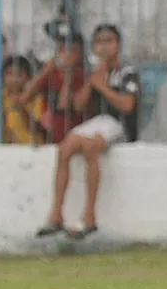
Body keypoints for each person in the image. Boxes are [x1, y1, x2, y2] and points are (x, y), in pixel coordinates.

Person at [35, 24, 140, 239]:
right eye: (99, 42)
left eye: (109, 41)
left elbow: (127, 106)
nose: (104, 47)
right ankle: (56, 215)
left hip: (119, 125)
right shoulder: (95, 73)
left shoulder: (127, 73)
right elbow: (78, 105)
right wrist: (89, 81)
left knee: (90, 147)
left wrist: (102, 87)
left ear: (118, 45)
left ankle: (89, 217)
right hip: (98, 122)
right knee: (65, 148)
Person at [22, 33, 87, 145]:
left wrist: (68, 79)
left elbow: (64, 105)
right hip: (49, 137)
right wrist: (45, 71)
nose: (66, 55)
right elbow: (24, 98)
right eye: (62, 50)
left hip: (75, 138)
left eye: (72, 50)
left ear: (81, 54)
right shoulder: (51, 75)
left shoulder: (84, 77)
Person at [1, 54, 46, 145]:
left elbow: (36, 128)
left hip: (31, 149)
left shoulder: (36, 98)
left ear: (29, 76)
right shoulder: (1, 98)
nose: (14, 79)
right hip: (7, 150)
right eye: (9, 74)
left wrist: (21, 108)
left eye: (18, 74)